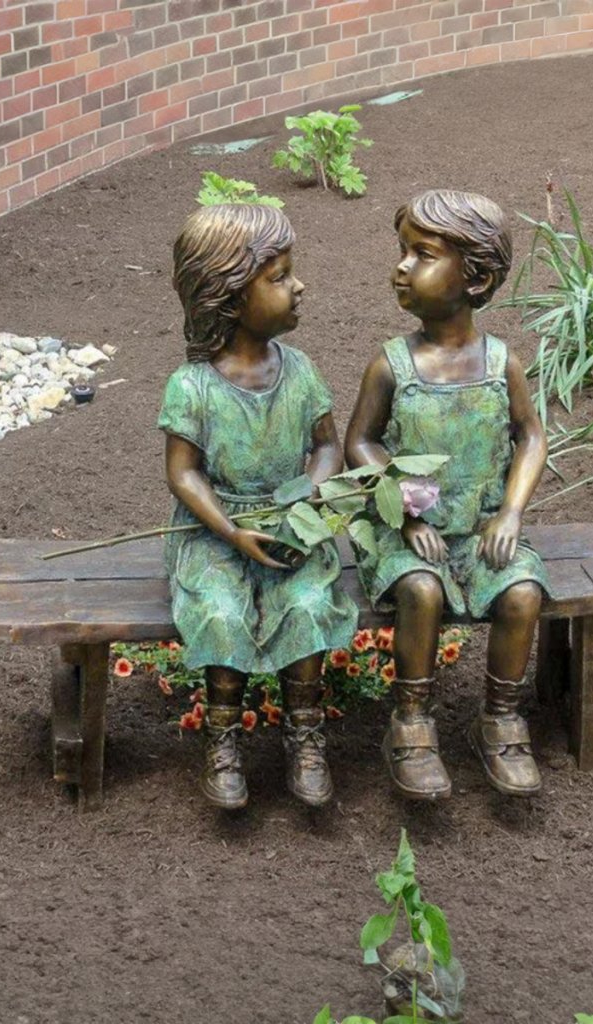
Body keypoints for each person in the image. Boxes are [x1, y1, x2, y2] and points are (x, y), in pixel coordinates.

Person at [345, 189, 550, 801]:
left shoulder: (501, 363)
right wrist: (406, 513)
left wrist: (510, 512)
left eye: (423, 255)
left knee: (522, 592)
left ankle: (501, 719)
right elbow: (360, 443)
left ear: (476, 278)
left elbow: (531, 436)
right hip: (407, 534)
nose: (402, 267)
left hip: (482, 527)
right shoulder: (392, 365)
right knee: (421, 590)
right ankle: (411, 723)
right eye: (403, 251)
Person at [159, 204, 357, 810]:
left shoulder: (300, 372)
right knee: (220, 610)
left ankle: (305, 734)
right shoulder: (193, 386)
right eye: (279, 276)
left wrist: (309, 497)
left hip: (290, 526)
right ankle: (223, 741)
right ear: (228, 294)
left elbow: (328, 447)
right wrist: (232, 530)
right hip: (214, 532)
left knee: (307, 602)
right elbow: (183, 473)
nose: (299, 286)